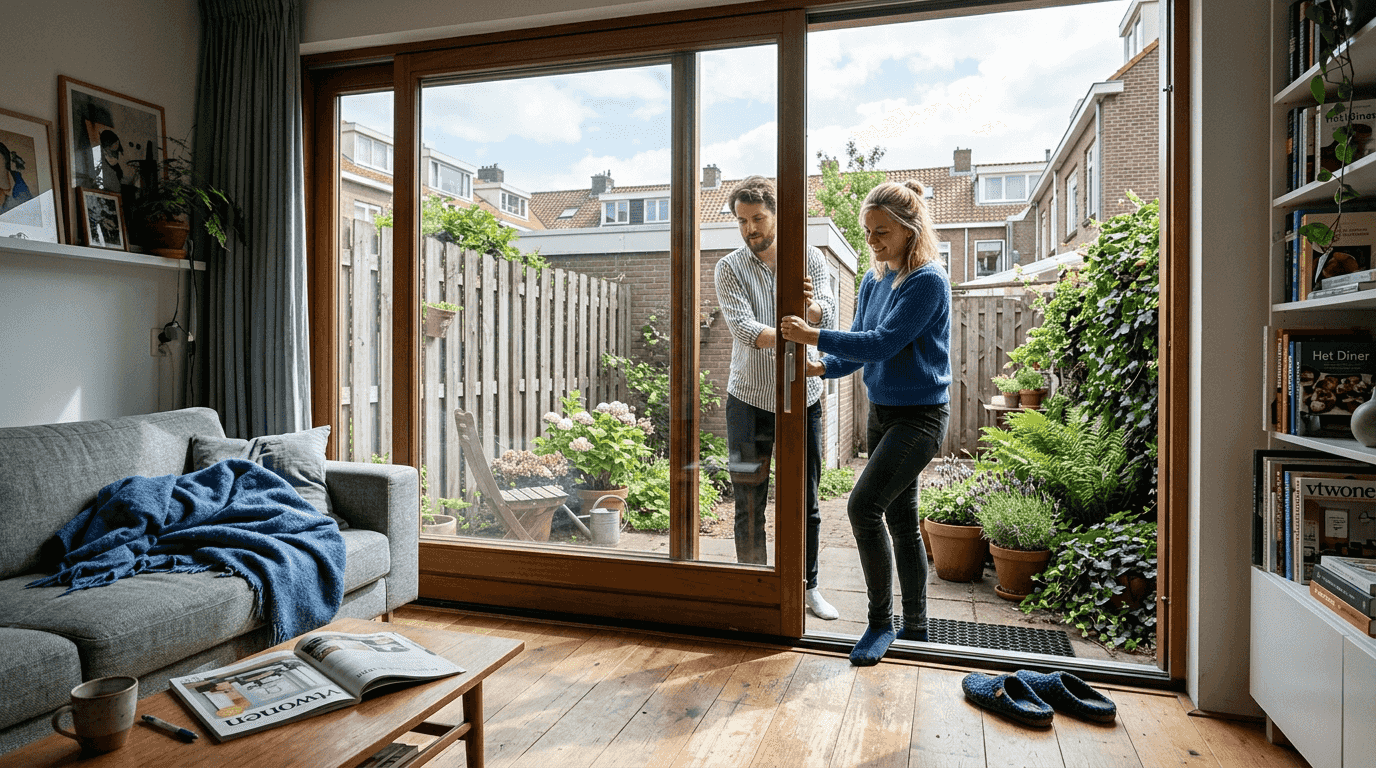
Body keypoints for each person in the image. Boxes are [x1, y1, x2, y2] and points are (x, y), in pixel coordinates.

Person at [780, 179, 951, 665]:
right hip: (883, 413)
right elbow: (857, 344)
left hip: (920, 418)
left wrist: (812, 334)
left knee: (862, 508)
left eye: (882, 232)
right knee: (900, 519)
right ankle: (916, 625)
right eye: (868, 231)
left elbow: (880, 343)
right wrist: (821, 366)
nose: (873, 241)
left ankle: (881, 624)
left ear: (910, 229)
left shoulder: (928, 281)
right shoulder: (876, 281)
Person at [714, 174, 839, 621]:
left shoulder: (809, 257)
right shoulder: (729, 268)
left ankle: (807, 587)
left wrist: (810, 313)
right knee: (748, 501)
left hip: (803, 397)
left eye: (758, 218)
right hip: (749, 399)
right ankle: (752, 586)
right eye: (743, 220)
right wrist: (794, 332)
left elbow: (830, 309)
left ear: (776, 216)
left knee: (805, 499)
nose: (750, 228)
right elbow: (745, 330)